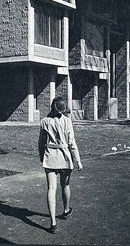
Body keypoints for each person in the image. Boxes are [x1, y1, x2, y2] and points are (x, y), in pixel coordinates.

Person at [38, 97, 82, 234]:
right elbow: (72, 143)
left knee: (51, 189)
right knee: (65, 185)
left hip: (50, 157)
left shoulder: (44, 121)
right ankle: (66, 209)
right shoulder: (67, 121)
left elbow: (41, 142)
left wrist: (41, 157)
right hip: (65, 158)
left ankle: (53, 223)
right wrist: (78, 160)